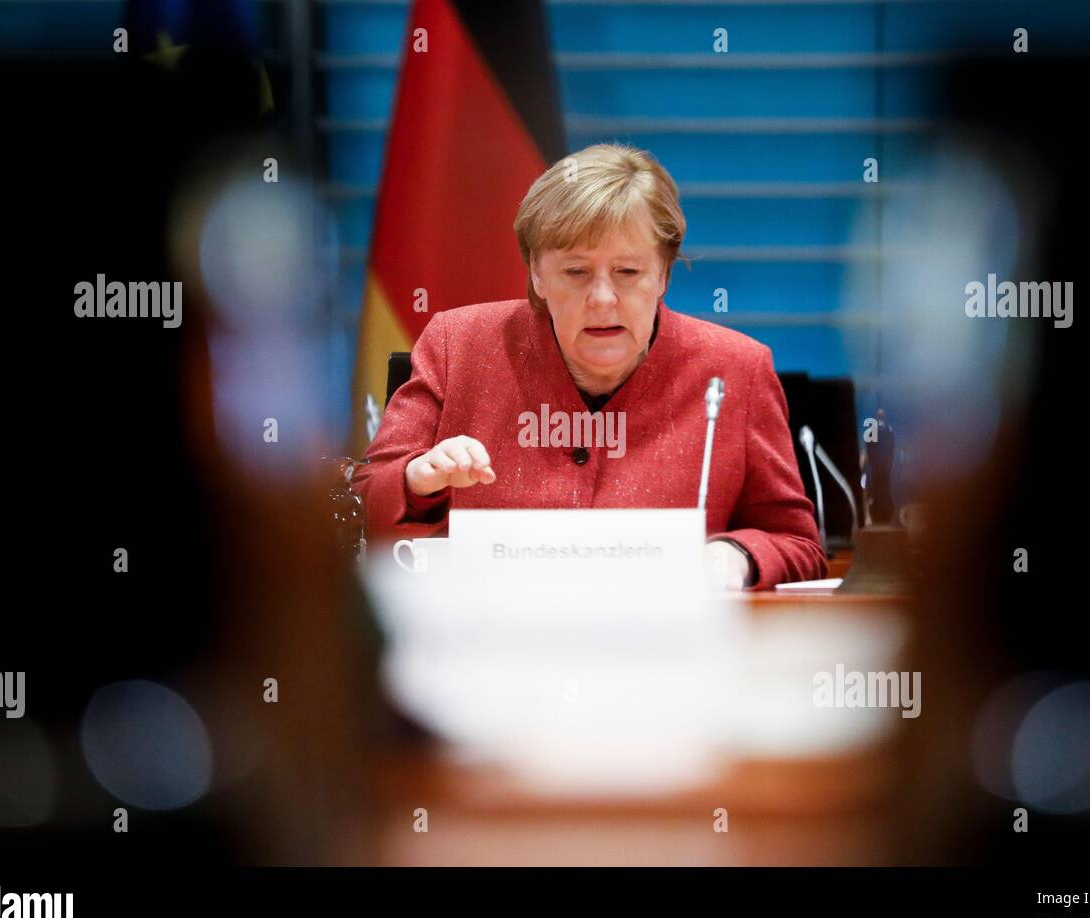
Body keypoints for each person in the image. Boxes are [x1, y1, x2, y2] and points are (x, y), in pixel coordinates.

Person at [354, 144, 827, 589]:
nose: (603, 300)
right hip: (490, 651)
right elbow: (361, 505)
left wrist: (736, 555)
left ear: (663, 272)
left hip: (662, 659)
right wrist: (417, 480)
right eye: (576, 273)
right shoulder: (459, 345)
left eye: (628, 273)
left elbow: (799, 544)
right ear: (537, 273)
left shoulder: (735, 369)